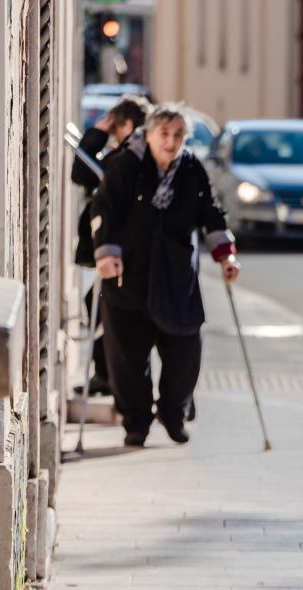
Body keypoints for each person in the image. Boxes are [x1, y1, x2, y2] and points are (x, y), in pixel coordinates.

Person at [90, 103, 240, 447]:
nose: (171, 142)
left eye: (178, 135)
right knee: (127, 357)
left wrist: (225, 254)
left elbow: (212, 212)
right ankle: (136, 422)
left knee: (186, 349)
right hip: (129, 275)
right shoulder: (127, 164)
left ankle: (173, 413)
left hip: (176, 278)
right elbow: (104, 208)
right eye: (164, 134)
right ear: (149, 133)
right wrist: (107, 253)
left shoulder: (190, 168)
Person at [71, 95, 153, 396]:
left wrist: (97, 132)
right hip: (130, 248)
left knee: (102, 304)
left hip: (121, 251)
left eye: (115, 128)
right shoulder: (139, 154)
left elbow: (79, 173)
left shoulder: (126, 157)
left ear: (127, 125)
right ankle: (110, 375)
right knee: (101, 302)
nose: (112, 135)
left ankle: (108, 376)